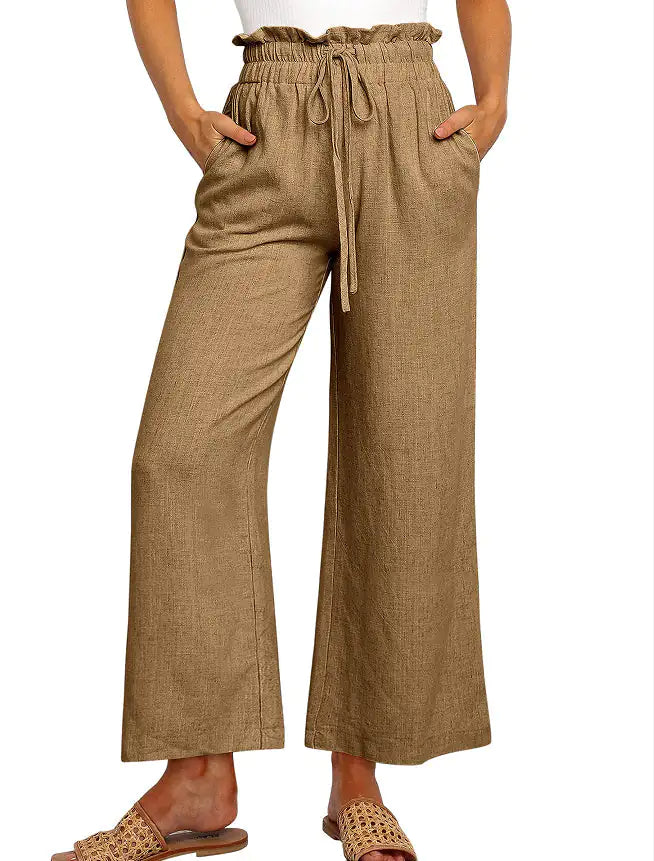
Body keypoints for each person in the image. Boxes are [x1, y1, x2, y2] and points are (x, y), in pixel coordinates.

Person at [53, 0, 510, 859]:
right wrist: (181, 106)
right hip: (266, 126)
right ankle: (198, 774)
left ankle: (358, 776)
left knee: (403, 453)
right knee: (180, 454)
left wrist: (495, 100)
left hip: (410, 122)